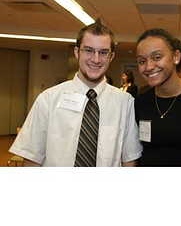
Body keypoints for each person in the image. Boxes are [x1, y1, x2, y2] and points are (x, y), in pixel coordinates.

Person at [9, 18, 142, 167]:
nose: (96, 59)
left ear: (111, 57)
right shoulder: (48, 99)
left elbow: (129, 159)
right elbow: (32, 158)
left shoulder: (126, 103)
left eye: (103, 52)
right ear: (77, 52)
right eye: (89, 50)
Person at [134, 28, 181, 166]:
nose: (149, 67)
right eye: (142, 61)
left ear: (176, 57)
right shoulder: (140, 102)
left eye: (157, 57)